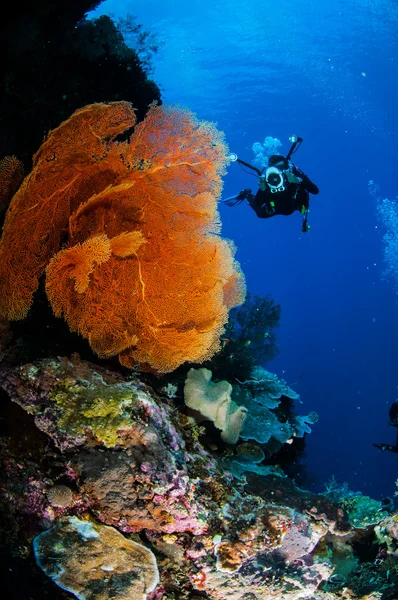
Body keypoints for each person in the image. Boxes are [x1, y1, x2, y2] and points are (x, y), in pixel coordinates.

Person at [223, 137, 319, 233]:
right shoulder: (270, 179)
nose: (279, 172)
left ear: (287, 166)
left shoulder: (294, 173)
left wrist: (298, 180)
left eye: (282, 167)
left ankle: (304, 217)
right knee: (260, 214)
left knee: (304, 200)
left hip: (296, 202)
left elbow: (315, 190)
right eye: (276, 168)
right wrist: (262, 189)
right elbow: (258, 203)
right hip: (278, 206)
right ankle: (247, 194)